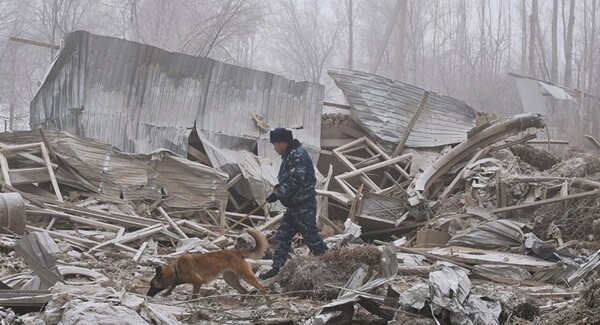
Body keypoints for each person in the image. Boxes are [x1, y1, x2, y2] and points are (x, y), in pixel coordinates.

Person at [259, 127, 328, 280]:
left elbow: (296, 179)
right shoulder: (290, 154)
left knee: (312, 238)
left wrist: (279, 194)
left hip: (303, 206)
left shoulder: (297, 154)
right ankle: (277, 268)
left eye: (274, 144)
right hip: (294, 206)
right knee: (282, 236)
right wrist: (277, 192)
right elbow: (289, 179)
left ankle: (330, 265)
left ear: (282, 143)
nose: (274, 148)